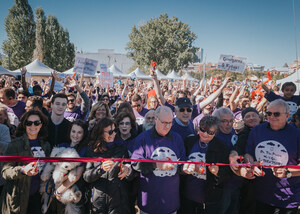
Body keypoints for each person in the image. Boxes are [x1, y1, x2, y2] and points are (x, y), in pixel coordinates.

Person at [244, 99, 300, 213]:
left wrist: (287, 172)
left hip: (288, 197)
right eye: (269, 113)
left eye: (277, 114)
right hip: (261, 194)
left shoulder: (296, 135)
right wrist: (251, 164)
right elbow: (248, 153)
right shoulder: (257, 130)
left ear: (287, 115)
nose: (271, 117)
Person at [131, 106, 186, 214]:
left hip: (171, 200)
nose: (167, 126)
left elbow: (181, 163)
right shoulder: (143, 138)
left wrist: (186, 168)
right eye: (164, 122)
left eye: (170, 123)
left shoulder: (177, 138)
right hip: (150, 201)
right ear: (156, 119)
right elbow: (136, 164)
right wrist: (157, 165)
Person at [0, 110, 51, 213]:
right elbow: (5, 172)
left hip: (37, 198)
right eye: (29, 123)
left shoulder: (46, 146)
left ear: (41, 124)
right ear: (24, 125)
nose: (33, 126)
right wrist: (22, 170)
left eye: (36, 122)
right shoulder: (14, 145)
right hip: (17, 198)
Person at [182, 115, 231, 214]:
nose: (205, 134)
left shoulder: (221, 147)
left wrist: (218, 172)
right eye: (202, 130)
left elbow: (228, 172)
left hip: (210, 199)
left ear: (215, 133)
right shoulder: (189, 142)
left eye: (210, 132)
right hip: (188, 196)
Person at [83, 118, 133, 214]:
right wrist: (100, 169)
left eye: (115, 130)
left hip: (118, 202)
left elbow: (131, 174)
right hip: (98, 201)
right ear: (101, 132)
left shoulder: (121, 148)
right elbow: (86, 177)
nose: (113, 134)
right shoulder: (92, 150)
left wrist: (128, 171)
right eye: (110, 132)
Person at [51, 120, 89, 214]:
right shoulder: (62, 146)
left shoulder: (84, 150)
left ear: (84, 134)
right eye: (73, 131)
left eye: (79, 132)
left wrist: (59, 191)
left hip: (75, 191)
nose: (75, 135)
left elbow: (77, 175)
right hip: (58, 189)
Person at [212, 107, 241, 214]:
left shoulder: (232, 131)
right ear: (217, 122)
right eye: (224, 121)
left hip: (237, 182)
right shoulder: (214, 137)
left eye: (230, 121)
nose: (229, 124)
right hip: (224, 186)